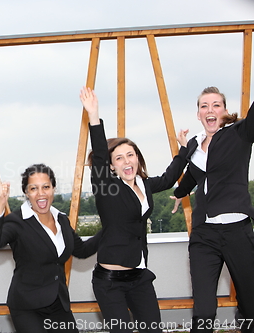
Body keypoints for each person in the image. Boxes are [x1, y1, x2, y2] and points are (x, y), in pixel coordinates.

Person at [80, 86, 188, 333]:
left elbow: (170, 178)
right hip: (110, 282)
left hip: (139, 276)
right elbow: (98, 157)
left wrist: (184, 150)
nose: (127, 161)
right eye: (119, 158)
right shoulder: (107, 188)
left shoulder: (145, 185)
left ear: (137, 158)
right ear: (111, 166)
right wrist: (94, 117)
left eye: (130, 155)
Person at [171, 87, 254, 333]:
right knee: (204, 310)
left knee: (250, 304)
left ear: (225, 111)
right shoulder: (194, 144)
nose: (210, 110)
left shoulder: (239, 133)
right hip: (204, 235)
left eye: (216, 105)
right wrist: (178, 193)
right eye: (204, 106)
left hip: (238, 232)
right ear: (198, 114)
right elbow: (192, 177)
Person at [0, 163, 99, 333]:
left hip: (58, 303)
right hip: (27, 306)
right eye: (34, 188)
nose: (41, 194)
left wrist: (111, 229)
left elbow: (82, 250)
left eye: (46, 187)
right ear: (26, 192)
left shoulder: (61, 220)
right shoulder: (17, 221)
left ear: (53, 189)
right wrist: (1, 205)